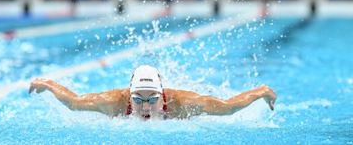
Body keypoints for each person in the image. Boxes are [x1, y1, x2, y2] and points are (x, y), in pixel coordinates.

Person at [29, 65, 276, 120]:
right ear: (129, 95)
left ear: (162, 96)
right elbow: (74, 102)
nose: (145, 106)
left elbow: (227, 107)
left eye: (152, 99)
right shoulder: (114, 102)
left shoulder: (182, 104)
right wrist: (49, 84)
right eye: (138, 99)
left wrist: (260, 92)